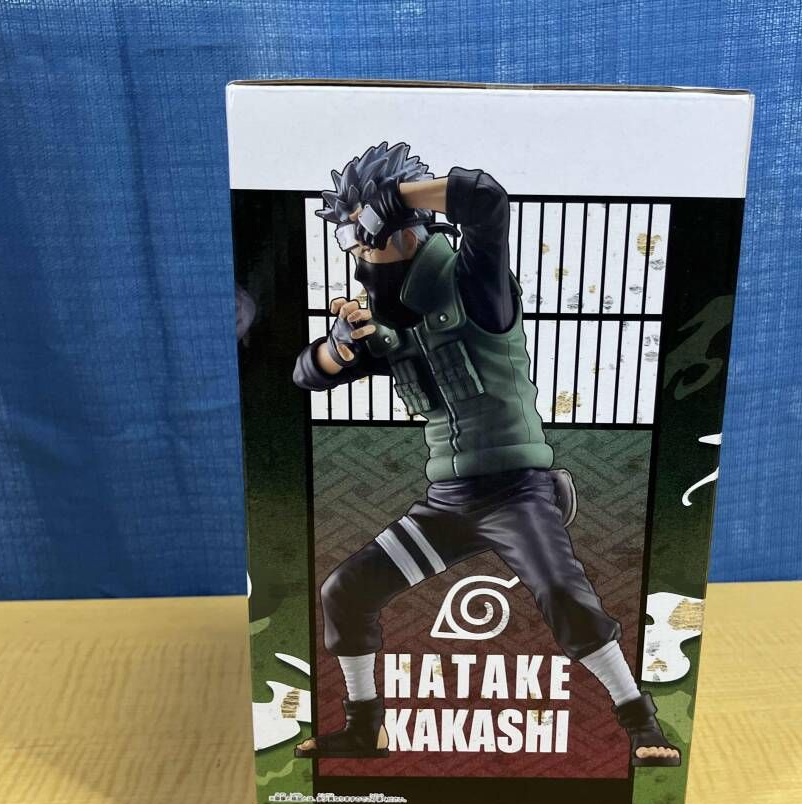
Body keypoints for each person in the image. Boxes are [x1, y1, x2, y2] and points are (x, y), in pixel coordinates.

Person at [291, 141, 680, 768]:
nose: (358, 254)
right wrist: (337, 348)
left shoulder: (474, 282)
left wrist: (394, 196)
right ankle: (366, 729)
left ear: (406, 229)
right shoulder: (390, 320)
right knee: (345, 591)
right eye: (349, 241)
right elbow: (306, 376)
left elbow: (486, 197)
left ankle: (642, 724)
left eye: (365, 236)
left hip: (516, 492)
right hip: (448, 502)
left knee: (563, 592)